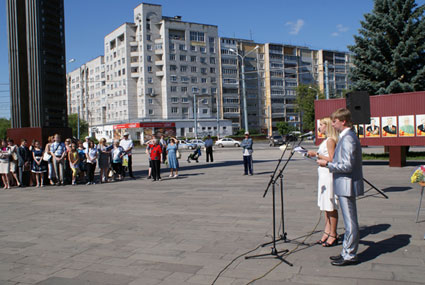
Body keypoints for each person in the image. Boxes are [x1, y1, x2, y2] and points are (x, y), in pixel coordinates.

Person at [317, 108, 364, 266]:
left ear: (343, 121)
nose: (333, 124)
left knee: (350, 221)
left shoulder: (348, 138)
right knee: (349, 220)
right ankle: (346, 250)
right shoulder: (345, 137)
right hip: (344, 183)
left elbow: (347, 165)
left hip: (347, 183)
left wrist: (328, 164)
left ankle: (350, 254)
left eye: (335, 121)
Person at [307, 117, 339, 247]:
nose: (319, 127)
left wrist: (316, 154)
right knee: (326, 206)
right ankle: (327, 231)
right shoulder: (326, 140)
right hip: (323, 175)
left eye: (321, 125)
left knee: (330, 206)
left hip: (329, 174)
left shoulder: (330, 140)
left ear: (327, 126)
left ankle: (333, 234)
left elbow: (332, 159)